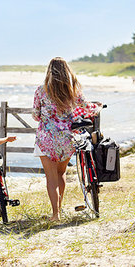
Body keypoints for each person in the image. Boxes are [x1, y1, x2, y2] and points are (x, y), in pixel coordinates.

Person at [32, 57, 101, 221]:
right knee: (61, 173)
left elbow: (35, 115)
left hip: (46, 139)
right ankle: (59, 209)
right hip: (67, 138)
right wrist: (98, 106)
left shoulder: (41, 91)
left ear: (49, 71)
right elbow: (88, 108)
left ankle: (55, 214)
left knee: (51, 177)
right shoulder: (72, 90)